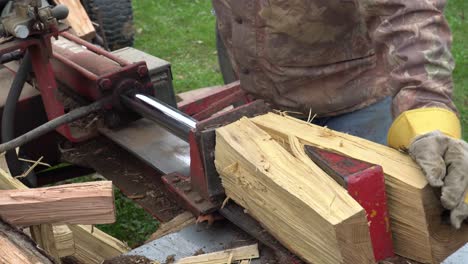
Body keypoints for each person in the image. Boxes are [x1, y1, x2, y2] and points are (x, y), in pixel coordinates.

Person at [212, 0, 468, 229]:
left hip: (354, 99)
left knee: (384, 224)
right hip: (258, 95)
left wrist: (427, 114)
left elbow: (408, 11)